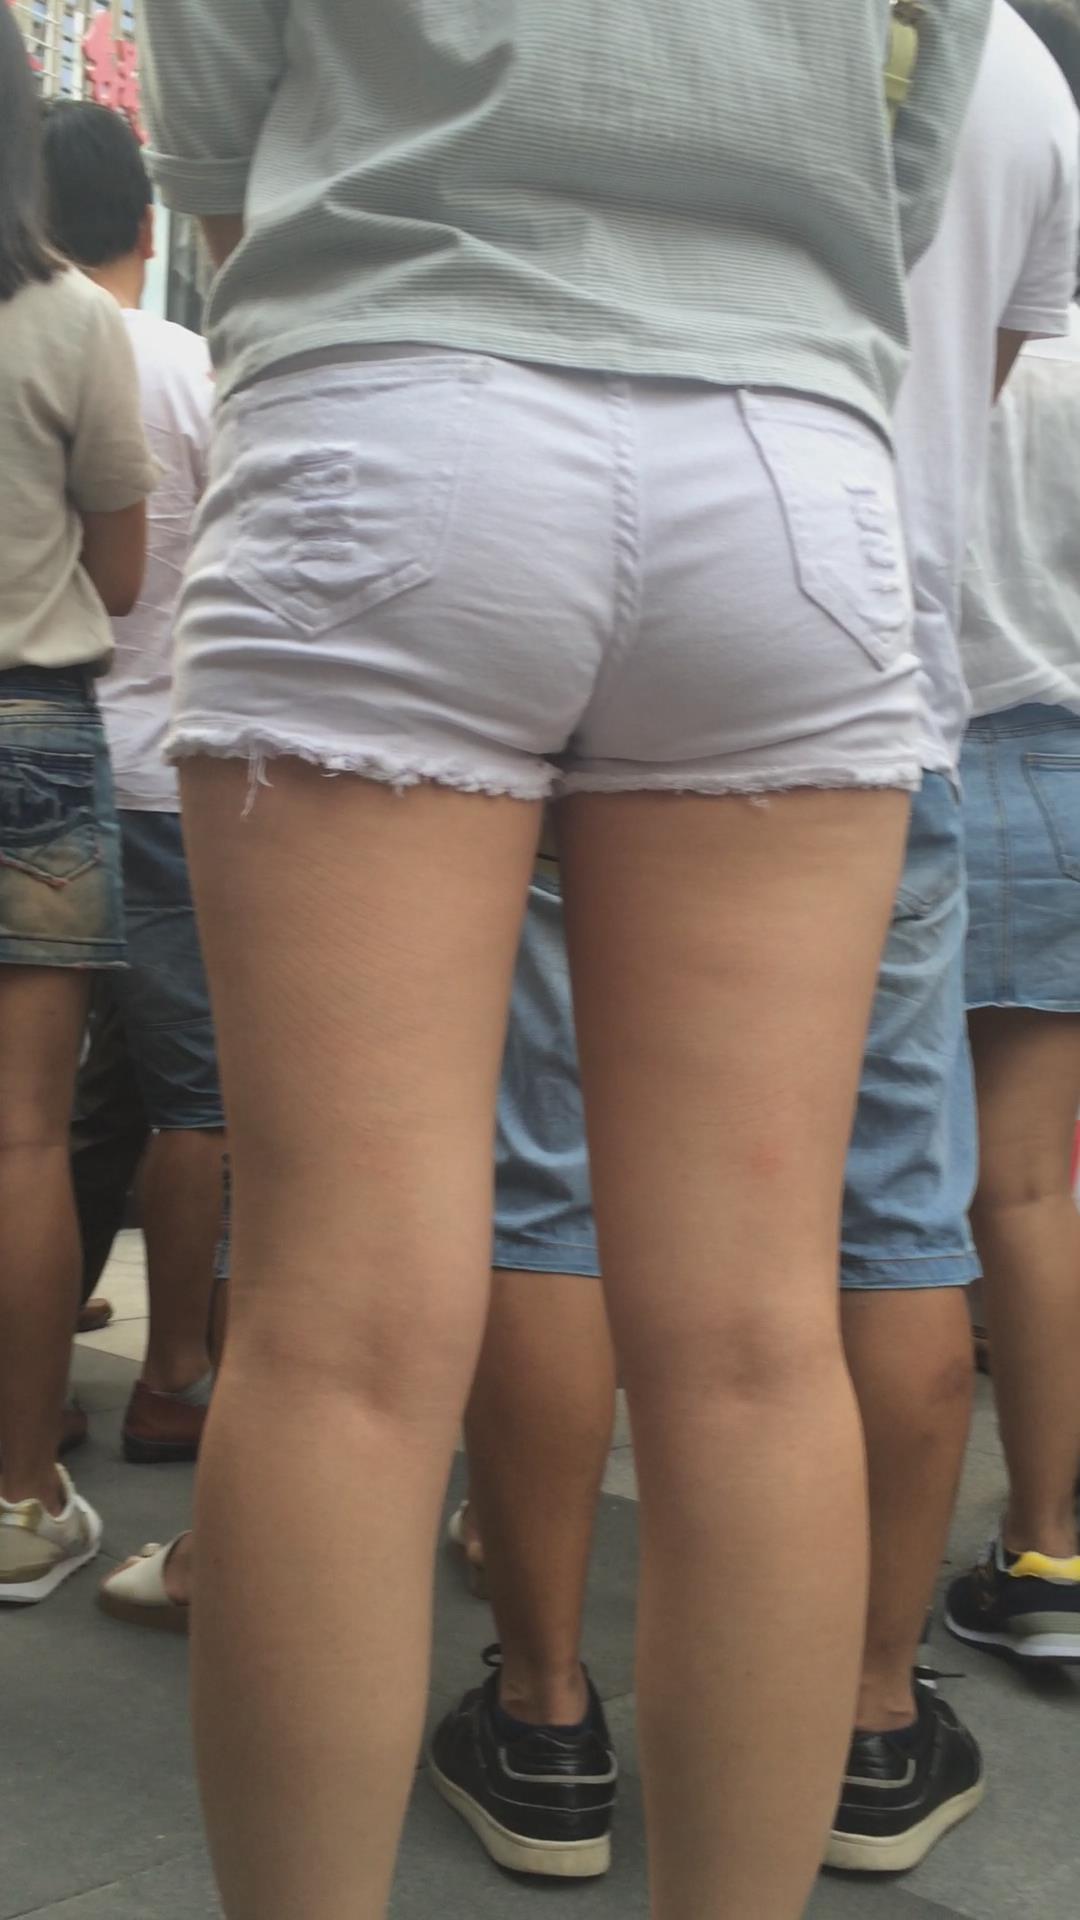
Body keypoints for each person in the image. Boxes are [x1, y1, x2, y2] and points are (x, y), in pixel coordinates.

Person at [140, 4, 991, 1915]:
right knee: (757, 1348)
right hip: (786, 454)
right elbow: (905, 151)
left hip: (392, 398)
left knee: (341, 1337)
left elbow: (215, 135)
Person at [429, 0, 1080, 1885]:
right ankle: (867, 1720)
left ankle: (544, 1714)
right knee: (889, 1219)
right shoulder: (1013, 70)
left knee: (547, 1193)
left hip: (544, 602)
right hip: (870, 660)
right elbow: (973, 378)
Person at [40, 100, 223, 1466]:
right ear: (148, 230)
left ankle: (30, 1376)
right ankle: (174, 1378)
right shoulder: (193, 370)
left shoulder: (25, 345)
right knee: (193, 1097)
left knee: (47, 1105)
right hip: (165, 780)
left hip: (43, 754)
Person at [0, 10, 156, 1604]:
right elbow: (119, 573)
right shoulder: (68, 323)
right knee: (26, 1135)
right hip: (30, 731)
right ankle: (18, 1492)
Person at [944, 0, 1080, 1668]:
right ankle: (1047, 1551)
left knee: (864, 1199)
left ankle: (822, 1570)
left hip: (914, 766)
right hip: (1070, 772)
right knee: (1030, 1188)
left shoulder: (940, 337)